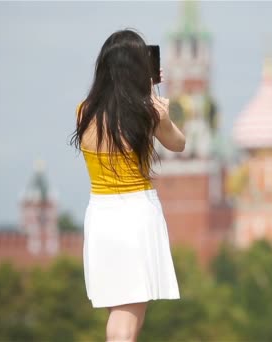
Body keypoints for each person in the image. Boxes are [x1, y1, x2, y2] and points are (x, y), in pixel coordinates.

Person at [69, 29, 185, 342]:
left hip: (101, 217)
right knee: (127, 322)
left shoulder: (85, 111)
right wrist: (162, 115)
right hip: (135, 214)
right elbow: (178, 144)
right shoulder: (146, 113)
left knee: (120, 316)